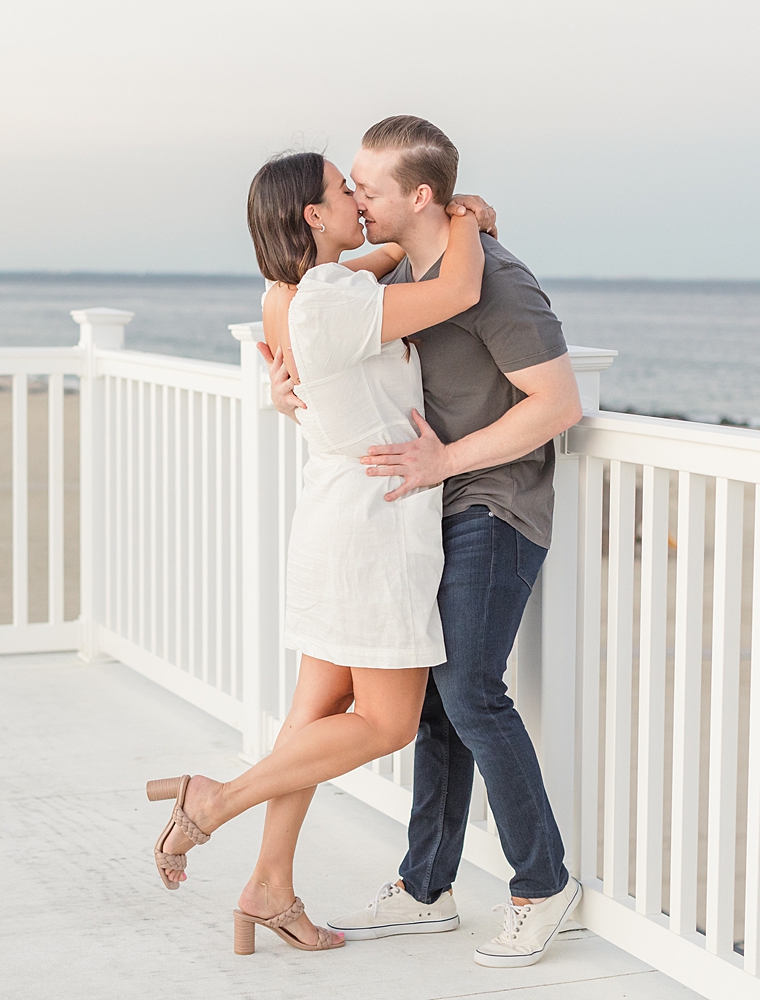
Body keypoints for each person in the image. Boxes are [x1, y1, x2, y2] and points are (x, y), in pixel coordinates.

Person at [146, 149, 495, 956]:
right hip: (373, 530)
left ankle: (268, 885)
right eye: (345, 192)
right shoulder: (334, 298)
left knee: (312, 717)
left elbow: (371, 265)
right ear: (311, 215)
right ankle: (213, 801)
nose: (360, 203)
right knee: (386, 723)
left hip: (334, 516)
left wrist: (409, 234)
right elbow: (460, 290)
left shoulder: (288, 293)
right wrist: (461, 218)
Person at [268, 116, 585, 968]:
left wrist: (447, 458)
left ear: (418, 195)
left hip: (495, 501)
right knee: (440, 700)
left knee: (469, 690)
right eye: (351, 188)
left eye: (367, 188)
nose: (356, 201)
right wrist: (283, 370)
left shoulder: (500, 284)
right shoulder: (404, 265)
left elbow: (557, 405)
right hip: (428, 505)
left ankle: (543, 884)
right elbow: (318, 310)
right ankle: (425, 888)